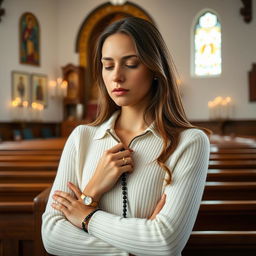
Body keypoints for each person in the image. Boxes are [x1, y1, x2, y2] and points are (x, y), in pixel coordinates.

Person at [42, 17, 210, 256]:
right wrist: (91, 192)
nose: (116, 76)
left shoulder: (190, 142)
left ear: (154, 69)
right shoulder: (82, 138)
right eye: (108, 66)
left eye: (130, 64)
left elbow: (166, 242)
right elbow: (52, 236)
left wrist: (86, 217)